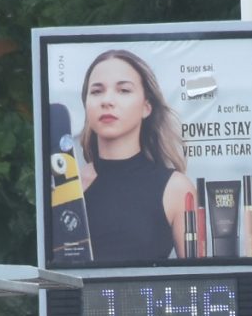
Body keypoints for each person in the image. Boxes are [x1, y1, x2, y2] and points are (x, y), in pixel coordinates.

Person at [74, 48, 198, 263]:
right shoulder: (69, 188)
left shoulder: (176, 188)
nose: (107, 101)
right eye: (96, 91)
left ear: (146, 107)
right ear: (86, 104)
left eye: (123, 90)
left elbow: (199, 283)